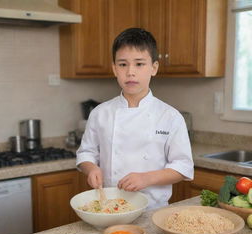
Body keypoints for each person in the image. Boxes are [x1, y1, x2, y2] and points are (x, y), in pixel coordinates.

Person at [76, 27, 194, 209]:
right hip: (109, 208)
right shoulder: (100, 113)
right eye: (123, 64)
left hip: (153, 211)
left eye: (139, 64)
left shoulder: (170, 116)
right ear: (114, 69)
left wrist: (147, 178)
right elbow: (86, 153)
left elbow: (183, 166)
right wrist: (91, 168)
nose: (130, 72)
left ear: (154, 68)